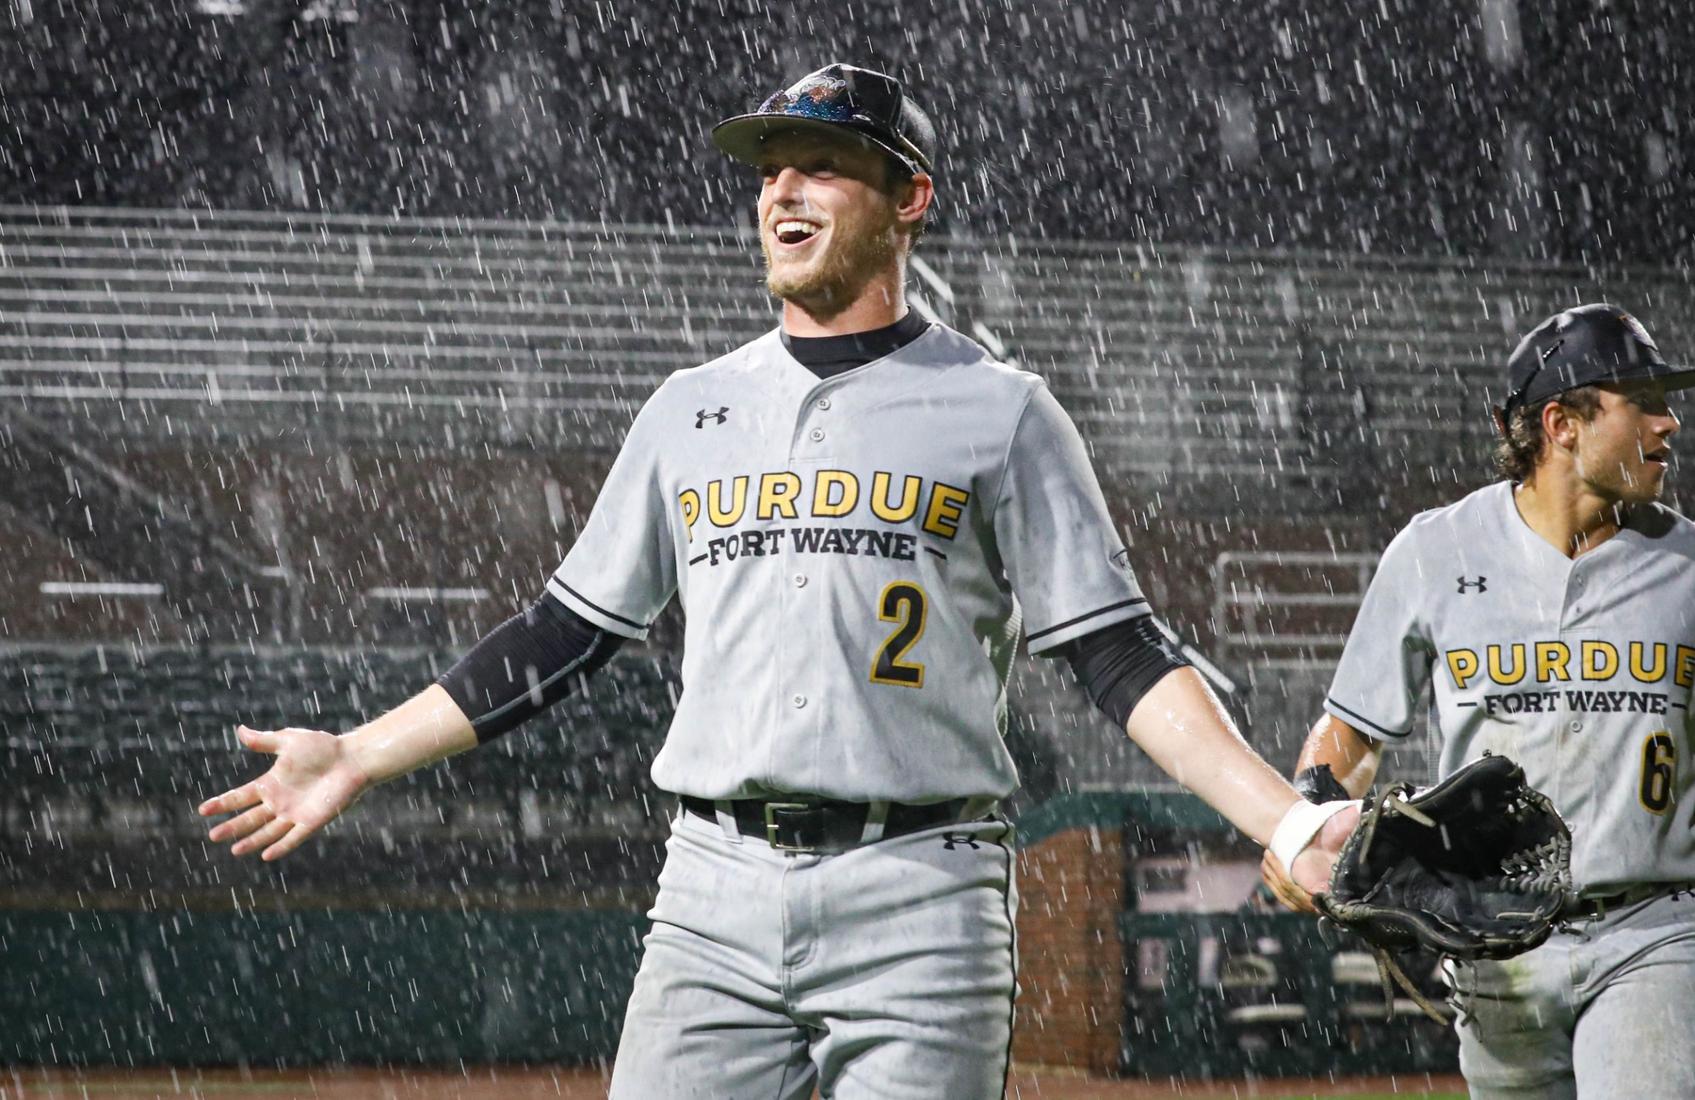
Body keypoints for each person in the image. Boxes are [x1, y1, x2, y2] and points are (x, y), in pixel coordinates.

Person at [201, 63, 1356, 1099]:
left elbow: (1115, 652)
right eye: (770, 170)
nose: (782, 193)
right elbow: (560, 633)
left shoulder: (1001, 411)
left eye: (824, 168)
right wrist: (356, 751)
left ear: (910, 199)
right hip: (712, 890)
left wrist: (1290, 817)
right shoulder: (688, 410)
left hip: (924, 889)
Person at [1262, 303, 1695, 1098]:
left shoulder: (1687, 565)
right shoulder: (1436, 552)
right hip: (1495, 942)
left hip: (1656, 929)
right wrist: (1309, 817)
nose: (1669, 424)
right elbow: (1349, 735)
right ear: (1561, 422)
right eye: (1644, 403)